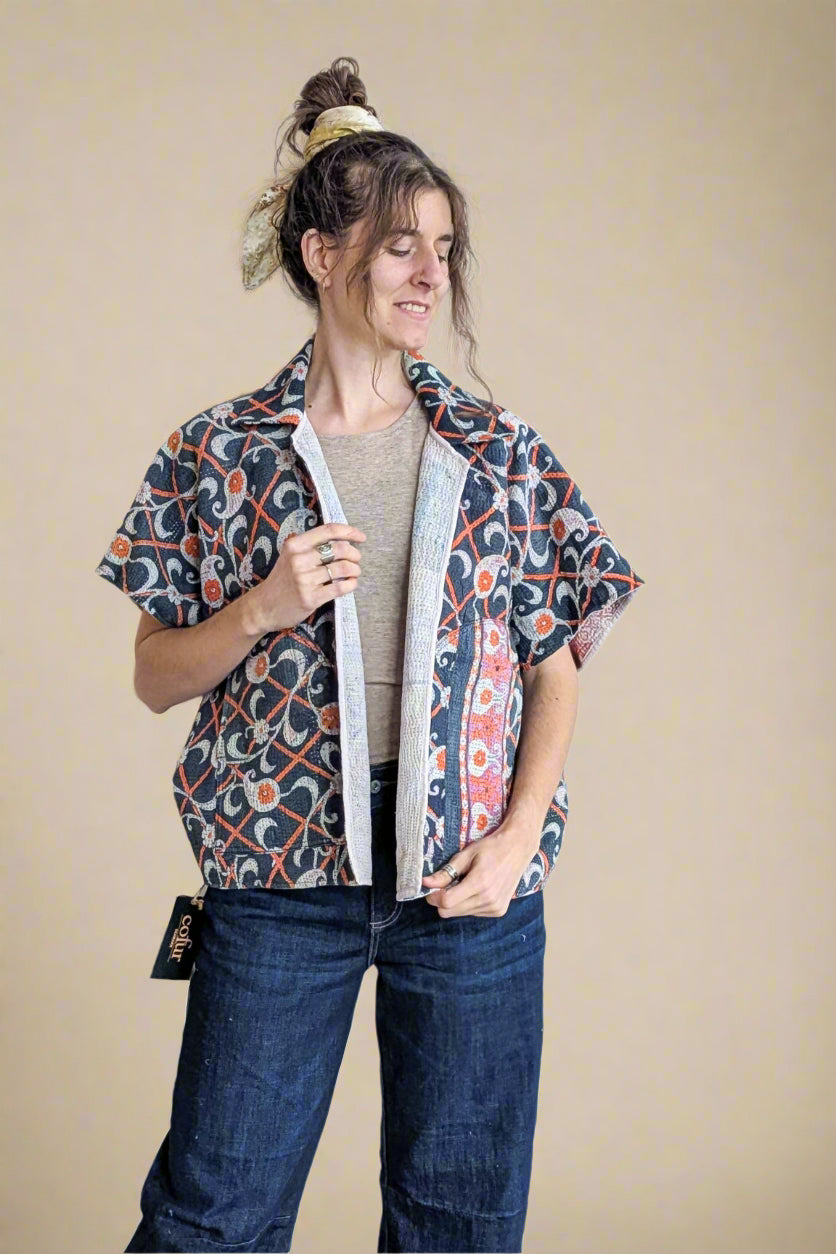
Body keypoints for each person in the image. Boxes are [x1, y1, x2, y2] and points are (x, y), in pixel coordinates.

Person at [95, 55, 644, 1254]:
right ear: (320, 253)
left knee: (458, 1225)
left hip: (468, 880)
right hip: (278, 875)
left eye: (441, 247)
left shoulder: (495, 449)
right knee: (211, 1220)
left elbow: (552, 663)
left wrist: (516, 842)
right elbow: (153, 675)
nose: (430, 273)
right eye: (401, 246)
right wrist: (262, 607)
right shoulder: (217, 451)